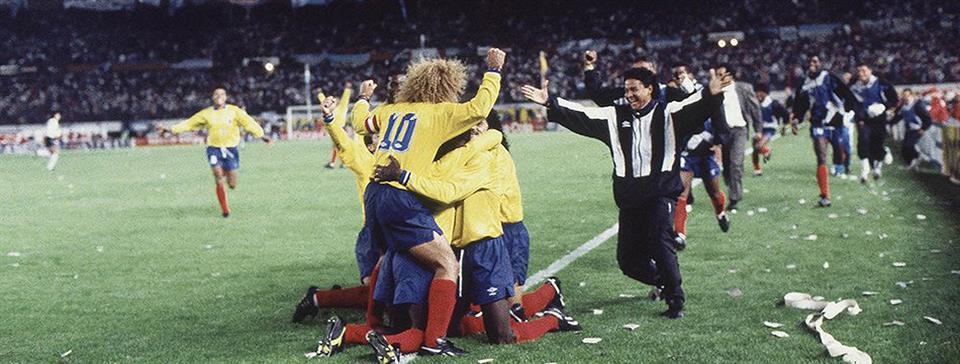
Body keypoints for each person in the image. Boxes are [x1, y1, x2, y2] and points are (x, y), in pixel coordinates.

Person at [521, 67, 734, 319]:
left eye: (635, 89)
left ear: (649, 89)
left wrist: (711, 93)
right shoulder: (614, 117)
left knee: (660, 240)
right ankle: (663, 281)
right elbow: (583, 114)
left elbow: (694, 106)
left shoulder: (668, 113)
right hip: (630, 199)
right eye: (626, 90)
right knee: (628, 261)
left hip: (659, 193)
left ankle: (676, 301)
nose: (629, 94)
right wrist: (550, 101)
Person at [348, 48, 506, 355]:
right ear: (448, 88)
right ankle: (435, 341)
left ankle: (374, 325)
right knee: (446, 263)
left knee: (393, 255)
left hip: (373, 194)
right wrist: (494, 70)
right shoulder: (441, 113)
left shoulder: (391, 109)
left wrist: (364, 97)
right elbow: (480, 107)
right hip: (400, 195)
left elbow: (359, 123)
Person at [165, 87, 271, 217]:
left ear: (226, 97)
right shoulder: (206, 114)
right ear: (212, 97)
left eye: (222, 94)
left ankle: (226, 173)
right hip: (214, 149)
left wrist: (262, 135)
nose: (219, 96)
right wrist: (171, 130)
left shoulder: (234, 111)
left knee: (232, 184)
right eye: (216, 94)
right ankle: (225, 209)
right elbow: (189, 124)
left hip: (231, 149)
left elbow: (249, 123)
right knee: (217, 175)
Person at [790, 56, 860, 207]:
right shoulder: (804, 84)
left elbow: (846, 93)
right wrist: (796, 119)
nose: (812, 64)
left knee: (839, 151)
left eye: (815, 61)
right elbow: (799, 104)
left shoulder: (829, 77)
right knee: (821, 156)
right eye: (810, 62)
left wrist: (849, 111)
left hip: (836, 121)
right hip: (817, 123)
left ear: (821, 63)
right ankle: (825, 195)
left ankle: (841, 165)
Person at [714, 64, 761, 212]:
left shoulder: (744, 88)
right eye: (717, 75)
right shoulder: (714, 92)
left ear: (730, 75)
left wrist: (758, 130)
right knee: (727, 166)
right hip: (723, 132)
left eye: (721, 74)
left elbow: (755, 109)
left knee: (736, 163)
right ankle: (732, 185)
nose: (719, 78)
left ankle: (734, 197)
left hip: (739, 130)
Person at [849, 63, 898, 182]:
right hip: (864, 120)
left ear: (870, 71)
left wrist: (884, 107)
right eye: (859, 71)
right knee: (863, 141)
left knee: (877, 144)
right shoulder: (854, 86)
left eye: (864, 70)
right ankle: (864, 170)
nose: (861, 74)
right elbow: (852, 103)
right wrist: (859, 117)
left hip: (879, 120)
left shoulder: (882, 83)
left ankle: (878, 167)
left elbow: (894, 99)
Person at [752, 84, 789, 176]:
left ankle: (766, 150)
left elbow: (785, 114)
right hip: (759, 128)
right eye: (756, 93)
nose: (758, 95)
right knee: (754, 148)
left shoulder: (773, 103)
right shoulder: (754, 103)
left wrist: (784, 126)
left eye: (760, 93)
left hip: (770, 128)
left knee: (759, 146)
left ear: (765, 93)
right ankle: (757, 169)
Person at [891, 89, 932, 170]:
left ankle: (917, 156)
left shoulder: (918, 105)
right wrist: (891, 121)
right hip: (909, 129)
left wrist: (923, 128)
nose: (905, 97)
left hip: (917, 129)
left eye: (907, 95)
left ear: (911, 95)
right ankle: (912, 163)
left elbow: (928, 118)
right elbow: (899, 116)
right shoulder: (903, 106)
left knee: (909, 146)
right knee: (904, 149)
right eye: (904, 95)